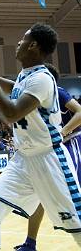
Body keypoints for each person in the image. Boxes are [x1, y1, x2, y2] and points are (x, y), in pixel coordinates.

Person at [0, 23, 81, 251]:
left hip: (50, 160)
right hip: (23, 159)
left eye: (23, 39)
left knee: (78, 229)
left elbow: (11, 114)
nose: (18, 43)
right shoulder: (25, 74)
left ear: (33, 45)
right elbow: (16, 89)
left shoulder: (42, 78)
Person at [14, 63, 81, 251]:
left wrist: (63, 132)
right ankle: (30, 242)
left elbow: (80, 112)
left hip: (71, 143)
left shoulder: (56, 90)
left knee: (74, 192)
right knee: (40, 194)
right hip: (47, 149)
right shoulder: (31, 96)